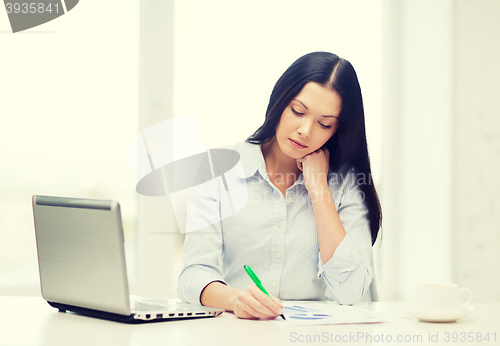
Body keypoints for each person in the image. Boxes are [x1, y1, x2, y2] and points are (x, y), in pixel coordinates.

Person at [177, 51, 382, 320]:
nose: (306, 130)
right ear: (280, 101)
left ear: (337, 130)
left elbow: (351, 291)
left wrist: (319, 188)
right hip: (240, 331)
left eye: (324, 123)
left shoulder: (346, 183)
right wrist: (236, 299)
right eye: (298, 111)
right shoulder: (217, 169)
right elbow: (193, 274)